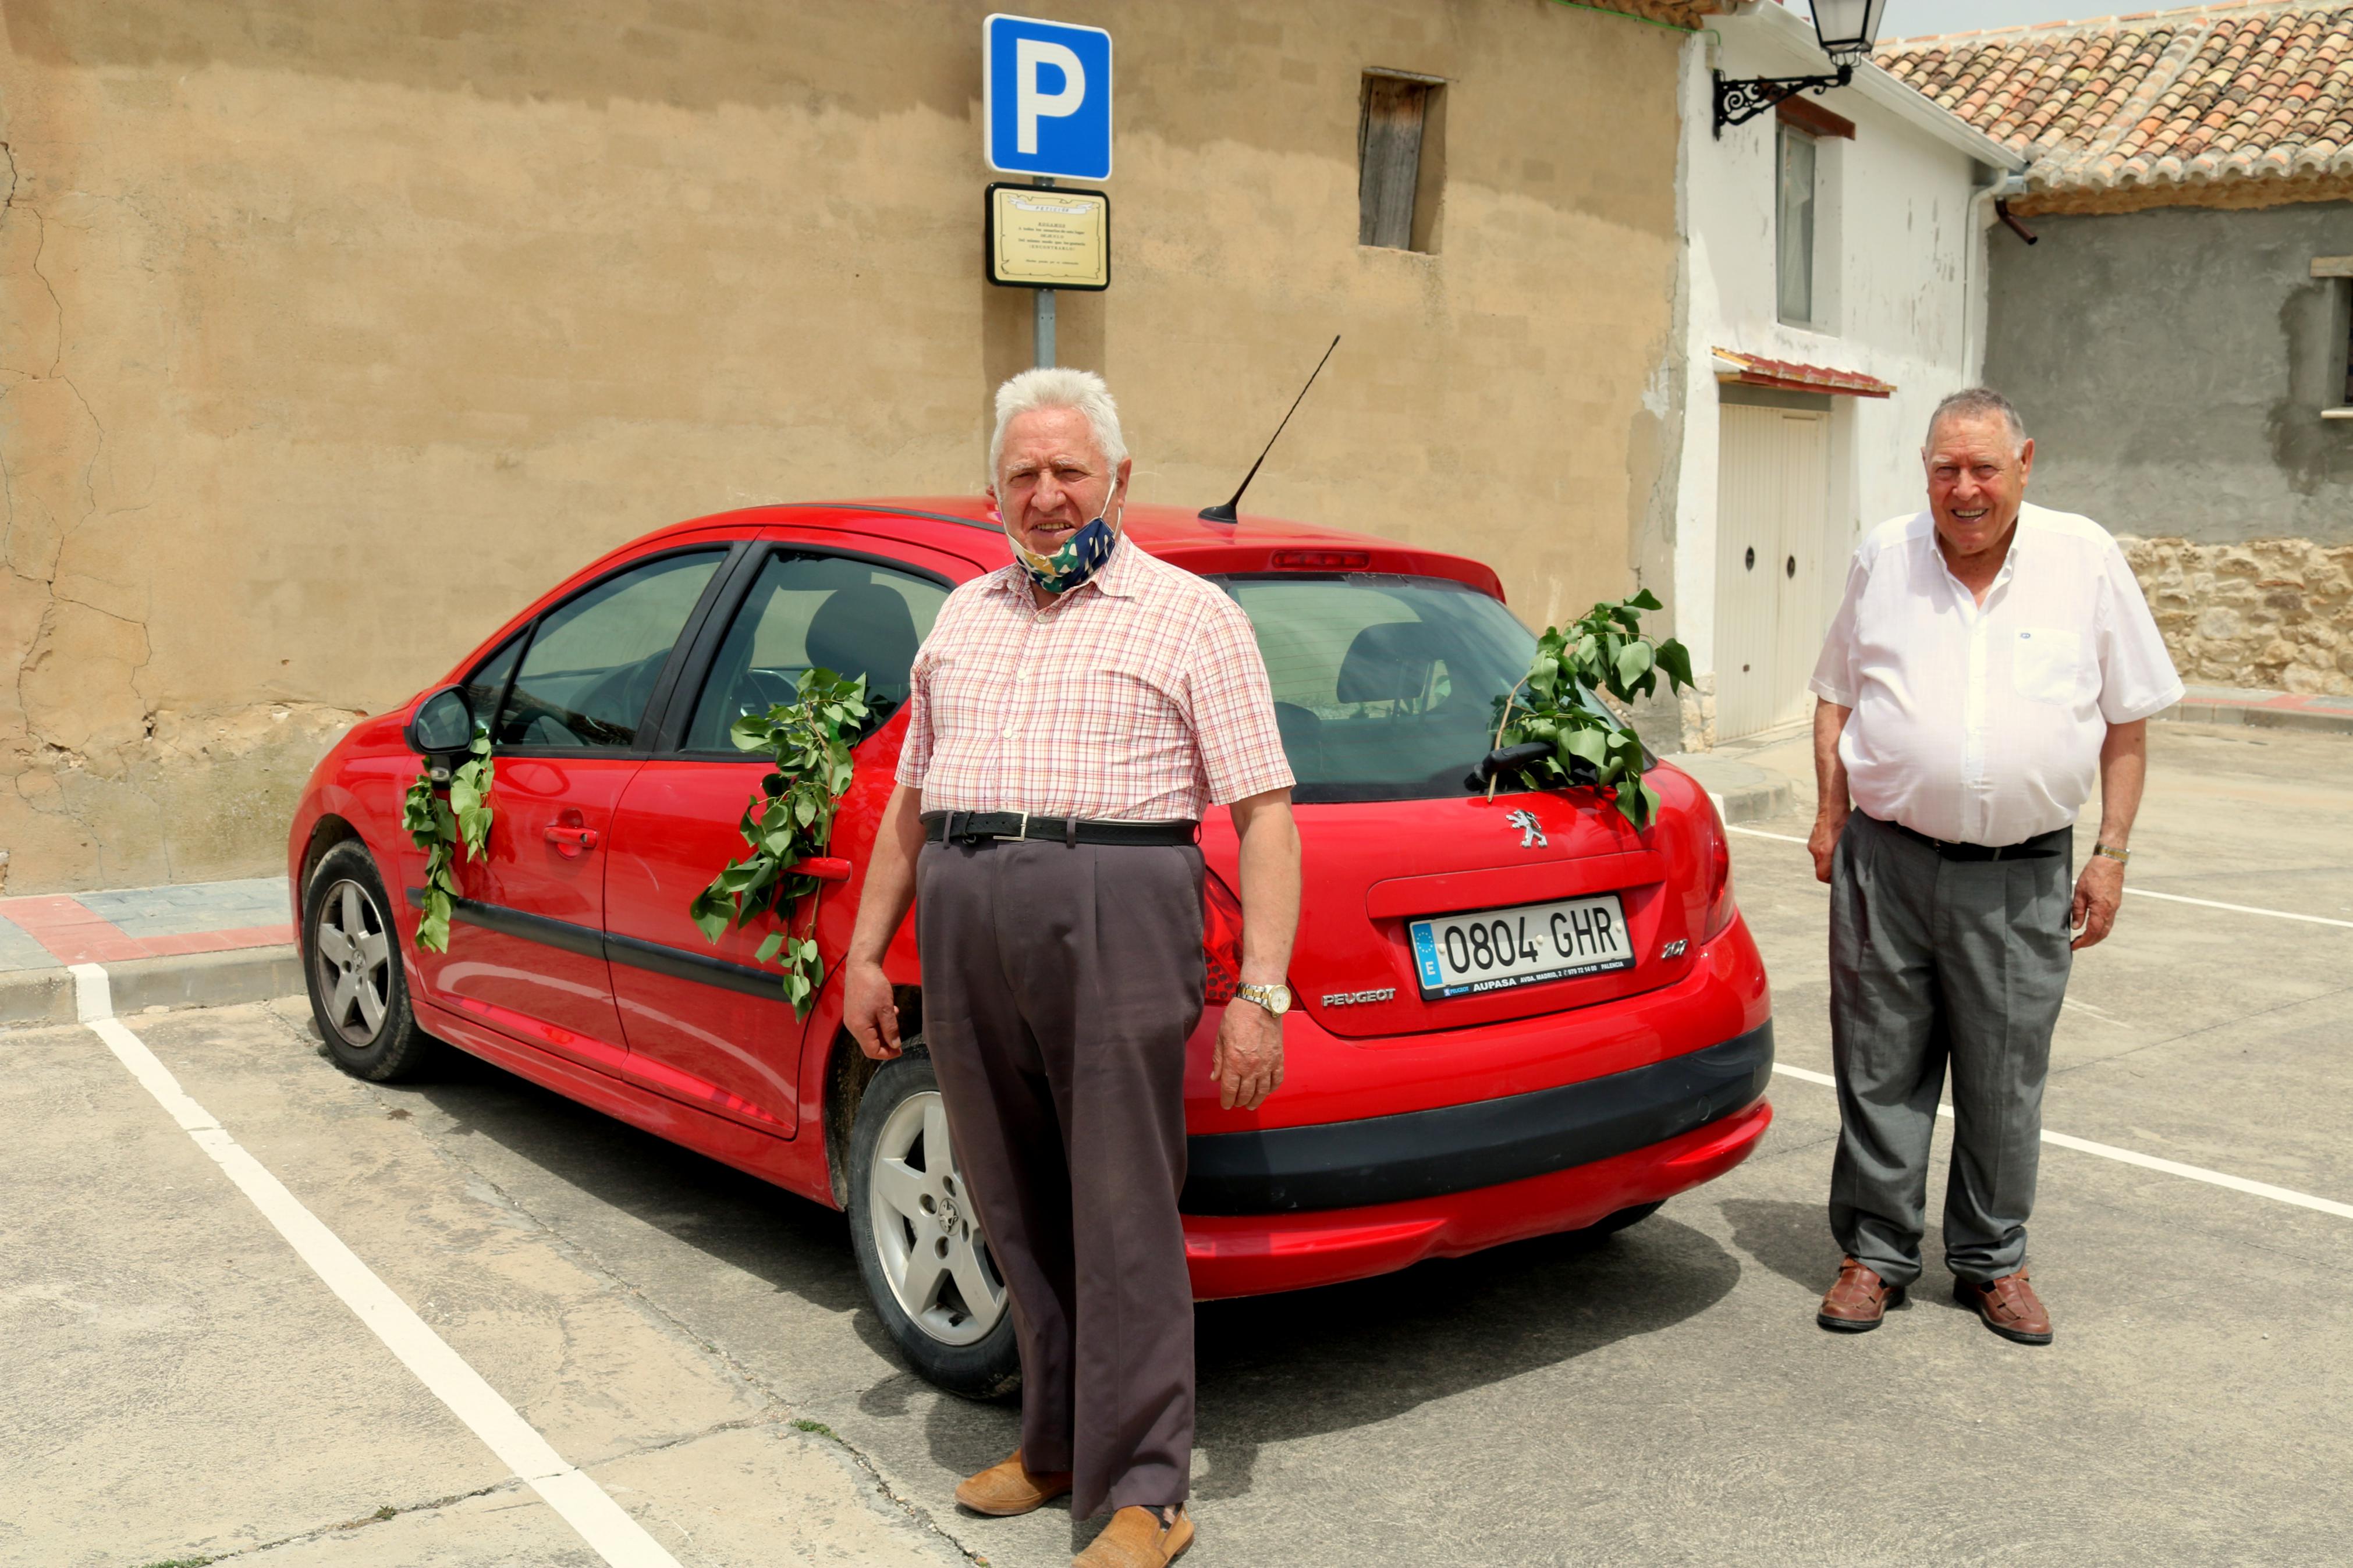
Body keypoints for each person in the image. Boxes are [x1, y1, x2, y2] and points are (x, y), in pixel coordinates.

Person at [840, 367, 1301, 1567]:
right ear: (994, 490)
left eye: (1069, 471)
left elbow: (1264, 814)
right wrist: (865, 952)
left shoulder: (1192, 615)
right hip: (965, 913)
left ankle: (1149, 1489)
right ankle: (1053, 1442)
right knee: (1012, 1197)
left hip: (1115, 910)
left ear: (1119, 479)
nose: (1046, 494)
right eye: (1024, 474)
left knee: (1122, 1204)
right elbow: (910, 801)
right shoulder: (962, 615)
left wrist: (1262, 992)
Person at [1805, 387, 2181, 1345]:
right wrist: (1829, 815)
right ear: (1925, 471)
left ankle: (1991, 1260)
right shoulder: (1884, 558)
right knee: (1878, 1066)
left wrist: (2112, 853)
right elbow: (1836, 695)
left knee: (2004, 1080)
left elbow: (2127, 721)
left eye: (1983, 468)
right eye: (1946, 469)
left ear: (2025, 463)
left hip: (2022, 875)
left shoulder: (2084, 559)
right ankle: (1875, 1254)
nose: (1964, 489)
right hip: (1886, 863)